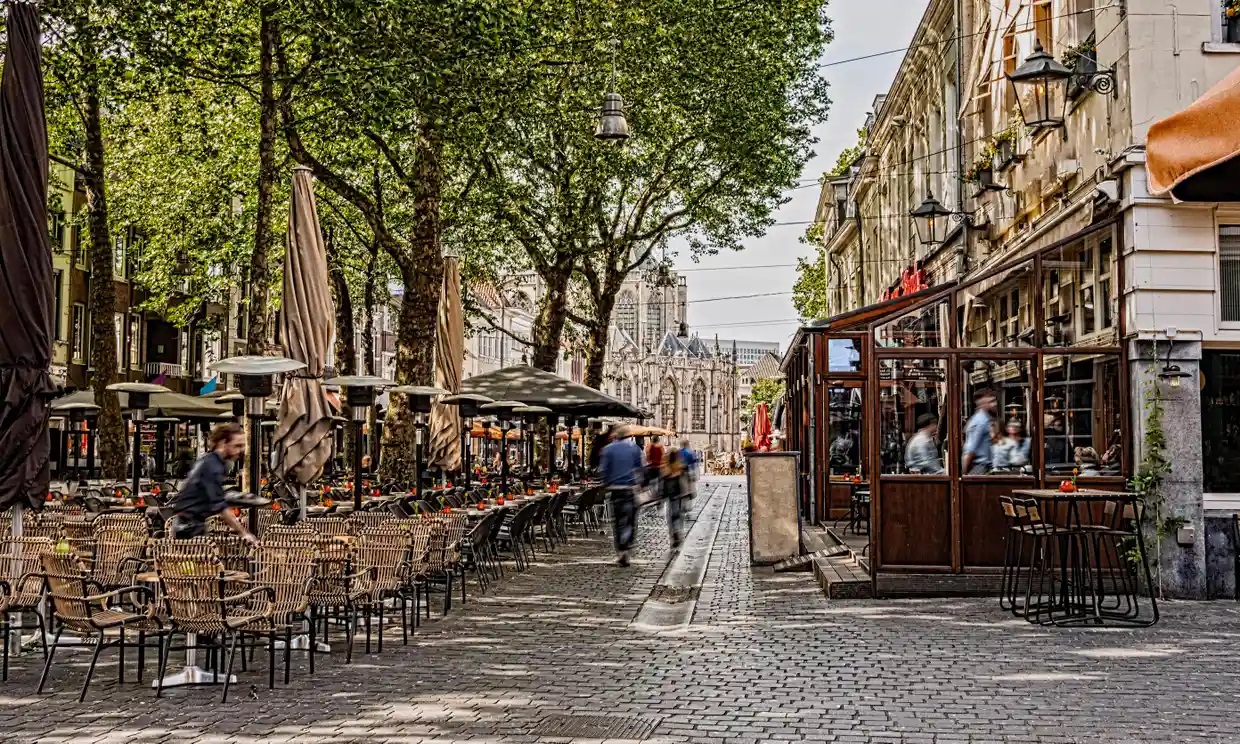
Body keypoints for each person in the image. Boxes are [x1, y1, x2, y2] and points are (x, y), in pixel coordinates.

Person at [168, 422, 258, 544]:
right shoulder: (213, 467)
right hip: (188, 529)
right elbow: (220, 506)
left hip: (189, 525)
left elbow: (214, 496)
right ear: (222, 443)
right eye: (237, 445)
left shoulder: (209, 460)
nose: (240, 450)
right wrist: (244, 533)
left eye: (242, 446)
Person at [600, 426, 644, 566]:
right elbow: (641, 469)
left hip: (615, 490)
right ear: (627, 436)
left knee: (618, 521)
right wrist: (642, 484)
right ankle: (626, 546)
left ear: (616, 436)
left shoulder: (608, 449)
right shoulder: (635, 449)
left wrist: (606, 483)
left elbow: (603, 470)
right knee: (630, 520)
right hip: (630, 489)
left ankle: (620, 550)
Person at [961, 388, 997, 475]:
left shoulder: (985, 418)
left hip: (986, 467)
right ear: (982, 402)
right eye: (991, 401)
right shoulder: (980, 421)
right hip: (980, 468)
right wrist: (963, 475)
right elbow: (970, 450)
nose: (995, 404)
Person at [661, 448, 689, 548]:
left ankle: (673, 535)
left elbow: (662, 482)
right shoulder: (680, 466)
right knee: (678, 515)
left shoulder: (665, 467)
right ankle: (677, 531)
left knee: (670, 515)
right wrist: (687, 493)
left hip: (670, 494)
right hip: (679, 493)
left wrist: (661, 496)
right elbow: (685, 481)